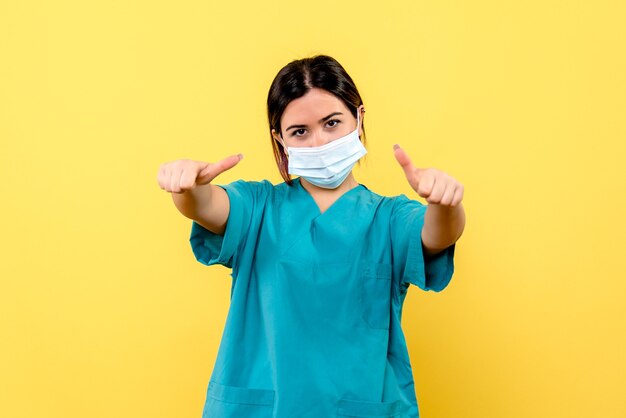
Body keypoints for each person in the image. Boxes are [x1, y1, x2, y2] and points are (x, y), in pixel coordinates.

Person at [157, 54, 465, 418]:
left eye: (332, 123)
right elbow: (205, 205)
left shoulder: (389, 218)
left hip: (359, 405)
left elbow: (436, 235)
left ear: (359, 117)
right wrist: (185, 185)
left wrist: (445, 203)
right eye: (300, 132)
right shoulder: (258, 207)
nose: (319, 142)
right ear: (280, 138)